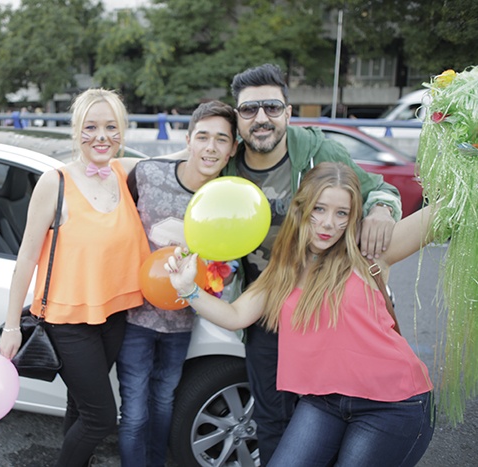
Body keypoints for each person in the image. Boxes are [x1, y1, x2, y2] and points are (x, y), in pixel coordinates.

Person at [166, 161, 436, 467]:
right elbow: (235, 315)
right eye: (319, 209)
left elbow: (443, 215)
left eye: (341, 213)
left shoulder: (366, 253)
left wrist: (466, 154)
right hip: (323, 401)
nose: (328, 224)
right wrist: (188, 289)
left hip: (392, 404)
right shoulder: (284, 269)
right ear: (301, 209)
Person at [221, 63, 402, 464]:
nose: (261, 118)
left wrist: (382, 210)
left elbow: (378, 189)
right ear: (238, 117)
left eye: (271, 107)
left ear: (288, 112)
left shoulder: (319, 152)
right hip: (266, 307)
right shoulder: (227, 164)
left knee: (328, 412)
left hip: (324, 302)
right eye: (249, 109)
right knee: (271, 417)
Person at [0, 88, 150, 467]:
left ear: (122, 131)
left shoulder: (123, 172)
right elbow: (26, 257)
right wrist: (12, 326)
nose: (102, 136)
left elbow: (179, 164)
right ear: (76, 130)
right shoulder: (55, 182)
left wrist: (215, 144)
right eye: (91, 127)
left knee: (80, 406)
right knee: (100, 418)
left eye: (111, 127)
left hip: (114, 315)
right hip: (68, 323)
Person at [117, 100, 238, 467]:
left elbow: (228, 261)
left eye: (221, 139)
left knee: (164, 402)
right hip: (135, 318)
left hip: (182, 321)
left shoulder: (228, 200)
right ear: (188, 140)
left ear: (233, 149)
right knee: (134, 411)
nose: (211, 147)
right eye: (203, 137)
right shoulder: (149, 174)